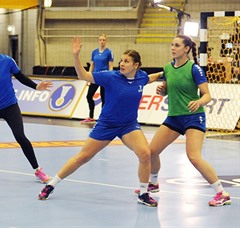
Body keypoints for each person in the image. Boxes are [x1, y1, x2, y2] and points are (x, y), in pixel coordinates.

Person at [38, 37, 162, 207]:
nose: (122, 64)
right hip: (106, 125)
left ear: (136, 65)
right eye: (121, 61)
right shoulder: (111, 76)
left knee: (145, 154)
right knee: (83, 157)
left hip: (129, 126)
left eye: (126, 61)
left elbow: (152, 77)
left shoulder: (141, 77)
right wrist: (76, 56)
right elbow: (84, 75)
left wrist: (166, 72)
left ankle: (143, 193)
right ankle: (51, 184)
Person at [143, 35, 231, 207]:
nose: (173, 48)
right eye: (172, 45)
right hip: (174, 117)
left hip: (193, 117)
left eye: (176, 45)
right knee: (151, 152)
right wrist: (162, 90)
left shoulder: (194, 69)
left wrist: (198, 101)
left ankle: (222, 193)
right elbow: (166, 91)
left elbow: (207, 95)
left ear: (186, 49)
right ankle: (153, 183)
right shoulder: (168, 68)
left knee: (194, 157)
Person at [0, 34, 52, 182]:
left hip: (10, 106)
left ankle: (38, 170)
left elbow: (20, 77)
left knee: (20, 137)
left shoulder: (8, 61)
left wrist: (36, 86)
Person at [81, 34, 113, 124]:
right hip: (95, 77)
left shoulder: (109, 52)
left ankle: (103, 118)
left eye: (103, 40)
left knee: (104, 98)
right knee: (89, 96)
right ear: (98, 41)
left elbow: (110, 67)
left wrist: (110, 78)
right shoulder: (94, 52)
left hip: (104, 78)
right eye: (100, 40)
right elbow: (92, 65)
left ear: (106, 41)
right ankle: (91, 117)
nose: (102, 41)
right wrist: (88, 78)